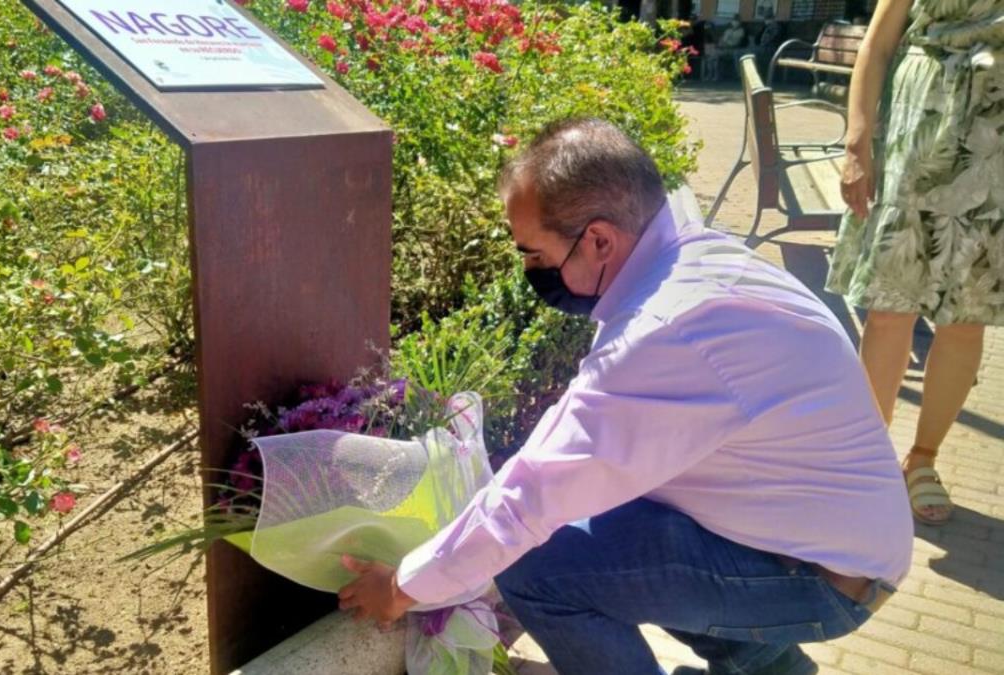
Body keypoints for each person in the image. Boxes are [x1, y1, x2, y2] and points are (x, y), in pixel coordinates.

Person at [339, 118, 912, 675]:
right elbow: (575, 457)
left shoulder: (667, 330)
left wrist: (400, 587)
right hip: (822, 549)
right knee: (609, 528)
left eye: (535, 256)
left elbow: (529, 499)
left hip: (825, 580)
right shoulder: (695, 260)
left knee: (538, 570)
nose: (533, 273)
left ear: (598, 240)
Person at [827, 0, 1003, 525]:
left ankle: (922, 459)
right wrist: (857, 143)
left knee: (965, 319)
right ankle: (868, 456)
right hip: (917, 131)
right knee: (888, 308)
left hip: (994, 147)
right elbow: (878, 46)